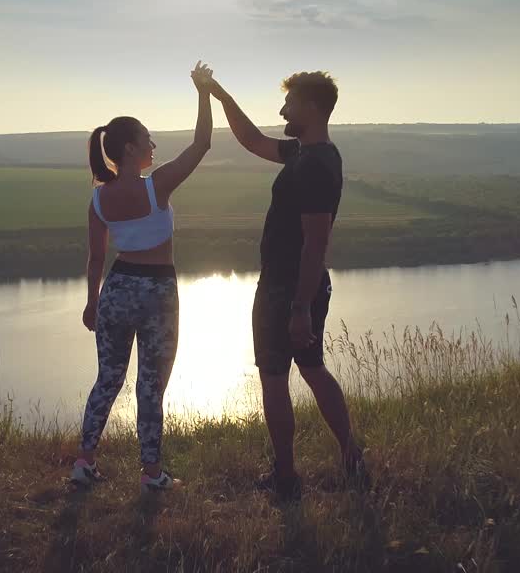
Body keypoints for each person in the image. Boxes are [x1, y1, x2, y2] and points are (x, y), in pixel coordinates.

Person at [202, 68, 367, 501]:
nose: (282, 110)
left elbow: (316, 241)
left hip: (287, 289)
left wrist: (298, 306)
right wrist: (219, 94)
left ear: (311, 108)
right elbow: (253, 140)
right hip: (298, 288)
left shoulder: (313, 166)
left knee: (274, 378)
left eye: (289, 103)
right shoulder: (308, 154)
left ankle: (286, 476)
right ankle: (352, 457)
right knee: (313, 370)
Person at [70, 61, 214, 492]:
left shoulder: (98, 200)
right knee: (150, 385)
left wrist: (92, 302)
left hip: (116, 290)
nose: (153, 144)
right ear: (131, 149)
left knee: (107, 379)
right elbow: (203, 143)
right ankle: (152, 474)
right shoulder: (157, 186)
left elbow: (96, 259)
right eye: (147, 139)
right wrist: (203, 92)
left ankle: (84, 461)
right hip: (157, 293)